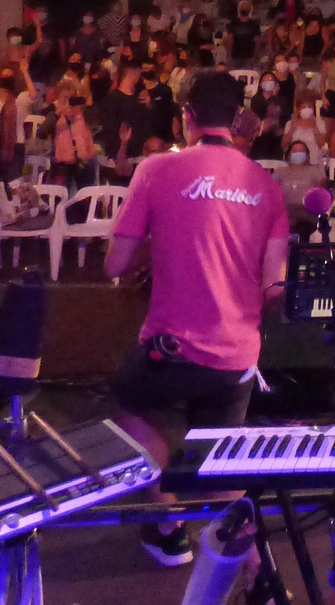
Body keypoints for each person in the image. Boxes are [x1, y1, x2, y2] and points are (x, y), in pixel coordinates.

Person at [104, 71, 289, 567]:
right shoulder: (266, 187)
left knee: (127, 402)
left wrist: (158, 244)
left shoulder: (156, 170)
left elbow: (115, 265)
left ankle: (167, 524)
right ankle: (261, 580)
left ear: (186, 116)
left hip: (173, 348)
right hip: (237, 355)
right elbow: (275, 289)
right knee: (221, 470)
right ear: (235, 120)